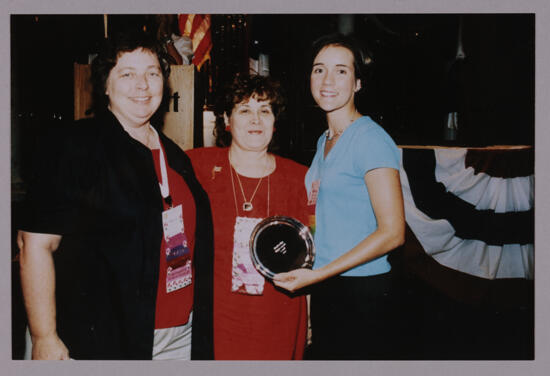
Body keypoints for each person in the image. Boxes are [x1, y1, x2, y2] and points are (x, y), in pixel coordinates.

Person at [16, 31, 213, 360]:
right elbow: (35, 245)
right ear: (104, 85)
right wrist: (44, 336)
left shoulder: (176, 157)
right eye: (127, 74)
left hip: (178, 336)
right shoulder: (73, 146)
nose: (143, 85)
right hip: (96, 339)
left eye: (152, 73)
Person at [273, 33, 406, 360]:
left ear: (358, 83)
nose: (327, 80)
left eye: (341, 71)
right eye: (319, 70)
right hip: (326, 286)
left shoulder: (370, 139)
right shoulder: (324, 141)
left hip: (361, 290)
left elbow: (393, 232)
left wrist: (319, 275)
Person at [186, 74, 310, 360]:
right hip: (217, 317)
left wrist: (311, 319)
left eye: (264, 110)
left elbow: (311, 257)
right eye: (244, 110)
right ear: (227, 120)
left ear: (274, 122)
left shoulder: (300, 178)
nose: (256, 119)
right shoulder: (197, 166)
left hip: (279, 316)